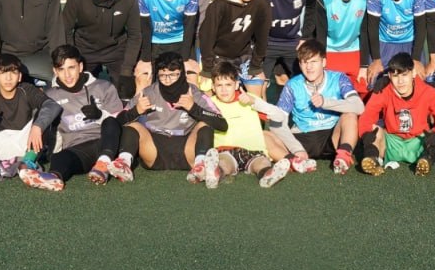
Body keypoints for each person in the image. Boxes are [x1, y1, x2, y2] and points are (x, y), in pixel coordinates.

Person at [124, 51, 228, 183]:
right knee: (133, 125)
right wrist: (136, 111)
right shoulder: (148, 92)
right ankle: (124, 163)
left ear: (182, 73)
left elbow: (222, 124)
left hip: (186, 151)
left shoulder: (195, 93)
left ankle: (200, 165)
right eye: (162, 75)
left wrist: (193, 108)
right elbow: (118, 120)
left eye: (173, 75)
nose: (167, 80)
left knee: (205, 124)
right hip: (154, 151)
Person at [203, 60, 308, 188]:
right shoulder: (209, 104)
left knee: (262, 163)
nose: (224, 90)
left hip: (254, 151)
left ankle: (268, 175)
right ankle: (215, 173)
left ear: (236, 85)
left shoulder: (248, 99)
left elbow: (280, 116)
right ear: (213, 87)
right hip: (226, 150)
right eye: (219, 85)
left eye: (228, 85)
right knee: (224, 163)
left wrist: (255, 102)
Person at [0, 54, 63, 189]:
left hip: (25, 143)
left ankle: (27, 163)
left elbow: (52, 106)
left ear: (19, 76)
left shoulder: (26, 89)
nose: (8, 78)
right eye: (3, 73)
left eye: (13, 73)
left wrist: (38, 126)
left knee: (45, 116)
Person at [42, 45, 128, 187]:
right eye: (61, 69)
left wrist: (100, 115)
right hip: (78, 148)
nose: (67, 75)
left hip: (108, 143)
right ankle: (53, 178)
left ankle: (103, 164)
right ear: (54, 71)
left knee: (110, 121)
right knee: (60, 157)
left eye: (71, 67)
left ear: (80, 66)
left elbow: (120, 122)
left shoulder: (104, 87)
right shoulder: (50, 96)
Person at [277, 39, 364, 174]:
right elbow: (278, 120)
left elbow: (359, 107)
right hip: (303, 137)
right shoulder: (292, 85)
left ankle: (343, 158)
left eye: (314, 62)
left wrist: (326, 102)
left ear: (323, 62)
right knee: (267, 135)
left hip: (332, 135)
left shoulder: (339, 78)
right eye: (305, 62)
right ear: (300, 65)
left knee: (350, 114)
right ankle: (296, 161)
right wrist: (296, 148)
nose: (309, 67)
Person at [357, 53, 435, 176]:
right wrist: (365, 134)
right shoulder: (382, 91)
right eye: (396, 76)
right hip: (392, 142)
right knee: (374, 129)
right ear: (390, 76)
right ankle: (373, 158)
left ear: (413, 73)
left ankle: (426, 160)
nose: (400, 81)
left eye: (404, 75)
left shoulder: (428, 92)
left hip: (419, 141)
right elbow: (367, 116)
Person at [62, 0, 142, 97]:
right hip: (84, 50)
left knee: (126, 91)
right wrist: (73, 59)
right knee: (79, 93)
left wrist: (127, 70)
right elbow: (65, 29)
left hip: (116, 50)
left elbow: (135, 35)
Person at [197, 0, 271, 95]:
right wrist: (207, 68)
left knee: (259, 92)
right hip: (216, 56)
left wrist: (256, 65)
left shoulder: (262, 4)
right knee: (207, 93)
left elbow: (262, 37)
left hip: (242, 55)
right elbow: (206, 36)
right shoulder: (219, 5)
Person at [258, 0, 319, 98]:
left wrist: (306, 37)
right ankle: (263, 120)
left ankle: (297, 119)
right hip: (268, 42)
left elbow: (313, 7)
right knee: (258, 86)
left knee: (303, 85)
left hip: (293, 42)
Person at [306, 0, 371, 95]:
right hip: (331, 51)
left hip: (354, 50)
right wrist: (322, 62)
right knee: (329, 92)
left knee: (365, 89)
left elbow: (365, 32)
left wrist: (364, 66)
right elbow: (321, 36)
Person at [364, 0, 430, 89]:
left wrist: (416, 59)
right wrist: (376, 60)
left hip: (409, 41)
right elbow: (372, 27)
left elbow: (421, 26)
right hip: (384, 41)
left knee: (417, 82)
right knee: (374, 83)